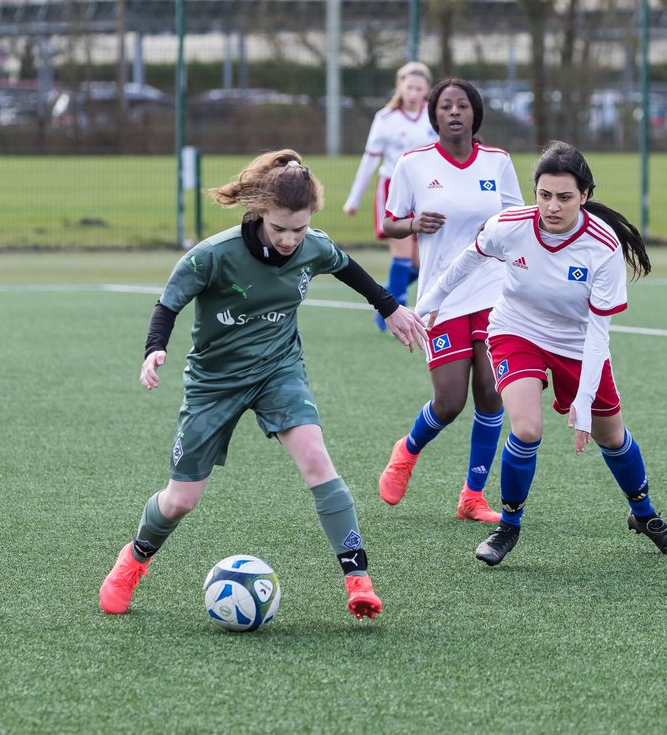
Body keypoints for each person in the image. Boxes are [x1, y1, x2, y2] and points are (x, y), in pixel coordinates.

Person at [99, 150, 428, 621]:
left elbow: (348, 267)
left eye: (300, 227)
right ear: (257, 213)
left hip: (279, 371)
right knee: (181, 500)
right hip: (214, 383)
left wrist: (390, 306)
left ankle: (358, 579)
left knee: (317, 461)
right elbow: (168, 303)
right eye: (280, 229)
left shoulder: (312, 244)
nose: (292, 239)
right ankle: (133, 559)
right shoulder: (213, 255)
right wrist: (155, 348)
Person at [414, 141, 667, 566]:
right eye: (544, 195)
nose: (552, 206)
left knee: (611, 436)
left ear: (585, 196)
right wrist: (428, 302)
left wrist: (582, 402)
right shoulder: (511, 225)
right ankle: (509, 526)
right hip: (514, 330)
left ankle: (645, 515)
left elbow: (599, 331)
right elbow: (467, 261)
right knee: (526, 428)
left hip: (578, 343)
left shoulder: (602, 246)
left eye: (564, 197)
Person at [378, 77, 524, 523]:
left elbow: (519, 222)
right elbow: (390, 224)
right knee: (449, 401)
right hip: (442, 294)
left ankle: (473, 496)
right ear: (434, 114)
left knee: (490, 394)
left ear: (475, 113)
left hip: (494, 290)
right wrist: (414, 224)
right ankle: (406, 450)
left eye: (463, 105)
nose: (455, 112)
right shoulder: (413, 164)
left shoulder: (498, 162)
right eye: (446, 106)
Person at [343, 61, 437, 332]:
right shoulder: (385, 118)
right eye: (409, 87)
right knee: (403, 254)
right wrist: (354, 199)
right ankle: (392, 317)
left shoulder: (433, 115)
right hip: (392, 190)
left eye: (419, 88)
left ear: (426, 90)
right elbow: (370, 160)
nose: (413, 93)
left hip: (426, 192)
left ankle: (384, 298)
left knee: (423, 264)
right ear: (400, 86)